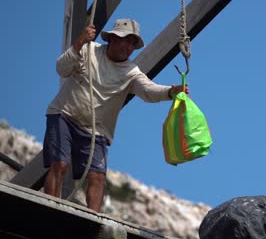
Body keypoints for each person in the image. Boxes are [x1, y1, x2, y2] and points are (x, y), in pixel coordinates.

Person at [43, 19, 187, 212]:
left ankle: (92, 223)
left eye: (132, 43)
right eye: (124, 40)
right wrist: (78, 43)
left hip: (97, 130)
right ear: (111, 38)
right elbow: (62, 69)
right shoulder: (88, 50)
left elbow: (149, 91)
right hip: (64, 115)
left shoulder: (131, 72)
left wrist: (171, 92)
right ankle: (49, 210)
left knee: (98, 177)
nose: (128, 47)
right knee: (59, 165)